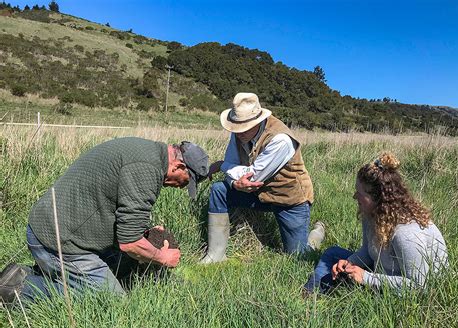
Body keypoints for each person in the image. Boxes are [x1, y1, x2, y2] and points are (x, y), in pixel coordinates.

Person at [0, 137, 209, 303]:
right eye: (185, 182)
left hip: (55, 230)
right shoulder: (147, 170)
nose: (180, 187)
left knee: (124, 266)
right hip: (59, 242)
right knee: (110, 299)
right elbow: (129, 242)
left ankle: (39, 272)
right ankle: (17, 289)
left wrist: (144, 231)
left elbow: (119, 207)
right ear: (179, 166)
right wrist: (162, 258)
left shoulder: (147, 152)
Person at [201, 92, 324, 264]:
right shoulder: (238, 132)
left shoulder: (280, 139)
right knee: (219, 190)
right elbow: (234, 167)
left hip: (289, 200)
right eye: (236, 127)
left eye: (244, 127)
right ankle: (216, 254)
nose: (238, 132)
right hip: (257, 194)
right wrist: (234, 183)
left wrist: (221, 165)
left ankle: (316, 234)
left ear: (258, 121)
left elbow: (251, 176)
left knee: (298, 257)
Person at [303, 153, 448, 296]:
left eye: (360, 193)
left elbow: (419, 285)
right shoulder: (371, 214)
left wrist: (366, 277)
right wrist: (349, 263)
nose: (355, 196)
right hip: (383, 271)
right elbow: (368, 251)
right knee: (333, 253)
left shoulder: (406, 234)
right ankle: (310, 295)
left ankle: (329, 293)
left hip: (410, 289)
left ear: (378, 198)